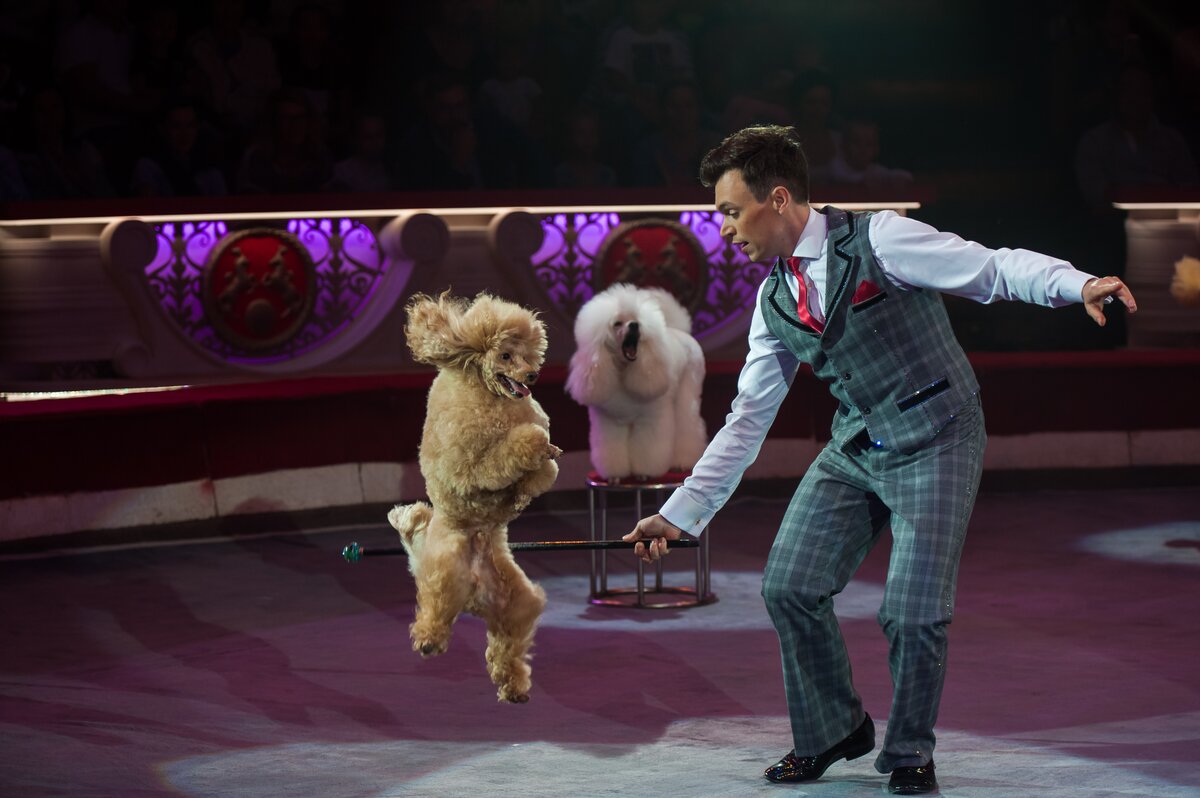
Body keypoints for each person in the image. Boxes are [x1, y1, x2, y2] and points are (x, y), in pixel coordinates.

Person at [622, 125, 1135, 795]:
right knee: (789, 587)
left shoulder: (882, 239)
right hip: (859, 443)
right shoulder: (773, 302)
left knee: (913, 613)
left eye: (729, 210)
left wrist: (1076, 284)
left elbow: (990, 269)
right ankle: (833, 730)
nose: (723, 228)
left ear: (777, 199)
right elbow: (747, 419)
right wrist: (680, 514)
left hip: (940, 434)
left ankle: (910, 752)